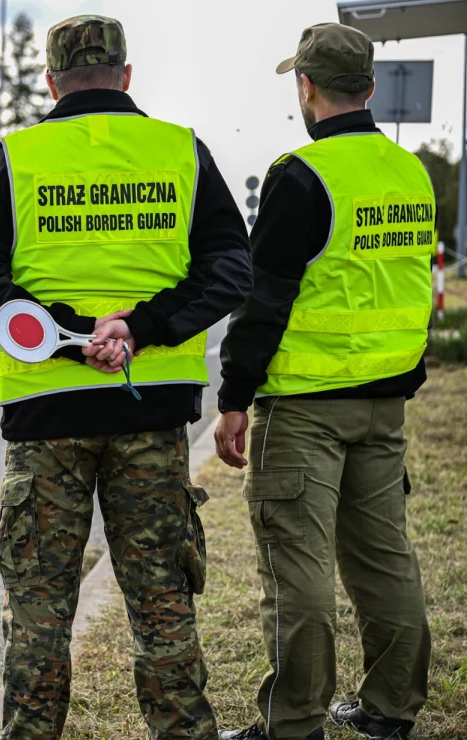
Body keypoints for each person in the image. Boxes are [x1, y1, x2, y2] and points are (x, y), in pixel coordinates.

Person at [0, 14, 251, 740]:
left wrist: (61, 336)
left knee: (39, 617)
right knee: (162, 607)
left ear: (51, 82)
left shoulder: (13, 160)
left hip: (46, 417)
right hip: (148, 413)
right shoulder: (182, 152)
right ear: (126, 76)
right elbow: (230, 270)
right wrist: (140, 326)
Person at [214, 23, 434, 740]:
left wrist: (234, 398)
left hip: (305, 409)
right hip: (385, 404)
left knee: (297, 570)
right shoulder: (409, 173)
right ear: (368, 88)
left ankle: (294, 722)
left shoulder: (301, 175)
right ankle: (392, 708)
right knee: (384, 559)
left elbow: (265, 297)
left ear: (305, 87)